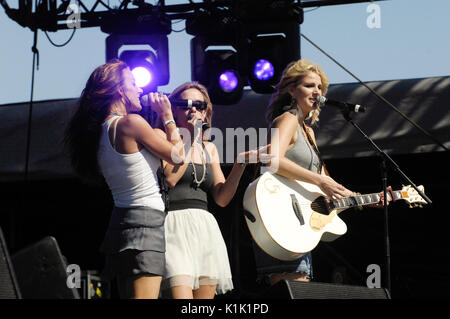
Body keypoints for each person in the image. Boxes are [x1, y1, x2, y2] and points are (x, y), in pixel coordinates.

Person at [254, 58, 385, 286]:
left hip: (300, 226)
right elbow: (273, 160)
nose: (317, 91)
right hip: (280, 219)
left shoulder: (309, 133)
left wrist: (364, 200)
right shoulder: (287, 120)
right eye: (309, 86)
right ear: (292, 90)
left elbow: (327, 182)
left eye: (319, 87)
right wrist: (319, 181)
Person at [63, 59, 184, 299]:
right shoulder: (131, 123)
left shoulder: (100, 131)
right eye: (133, 84)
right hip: (145, 221)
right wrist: (168, 117)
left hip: (121, 222)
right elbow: (177, 155)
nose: (140, 89)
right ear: (120, 90)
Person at [153, 82, 269, 299]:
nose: (193, 109)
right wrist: (189, 139)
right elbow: (170, 177)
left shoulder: (209, 148)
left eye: (199, 105)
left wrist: (240, 163)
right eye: (186, 104)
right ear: (173, 109)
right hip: (174, 225)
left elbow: (222, 198)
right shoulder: (161, 137)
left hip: (204, 228)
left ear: (206, 111)